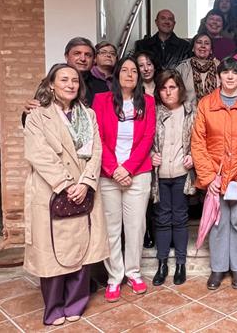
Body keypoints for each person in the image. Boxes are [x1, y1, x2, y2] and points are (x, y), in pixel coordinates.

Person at [23, 64, 108, 326]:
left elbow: (97, 151)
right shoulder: (38, 116)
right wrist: (66, 184)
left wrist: (86, 183)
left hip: (84, 187)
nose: (71, 84)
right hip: (53, 189)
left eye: (74, 80)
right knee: (52, 252)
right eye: (64, 80)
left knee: (82, 249)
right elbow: (39, 153)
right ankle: (54, 307)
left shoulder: (88, 115)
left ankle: (75, 303)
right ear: (51, 84)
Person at [191, 57, 237, 290]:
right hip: (215, 174)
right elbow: (198, 143)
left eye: (234, 73)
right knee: (218, 222)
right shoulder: (205, 104)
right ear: (219, 76)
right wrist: (209, 177)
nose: (230, 77)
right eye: (225, 73)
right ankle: (218, 268)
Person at [91, 57, 156, 303]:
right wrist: (113, 167)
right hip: (108, 173)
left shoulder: (147, 102)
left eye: (134, 71)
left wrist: (128, 168)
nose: (130, 74)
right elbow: (97, 136)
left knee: (136, 226)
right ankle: (114, 276)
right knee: (111, 228)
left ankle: (134, 272)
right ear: (116, 75)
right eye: (125, 70)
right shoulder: (101, 101)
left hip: (137, 173)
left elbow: (147, 137)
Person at [149, 69, 197, 286]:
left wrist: (193, 157)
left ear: (180, 89)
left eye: (172, 87)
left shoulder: (191, 112)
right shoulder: (153, 112)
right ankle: (161, 264)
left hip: (181, 174)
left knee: (179, 218)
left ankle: (180, 263)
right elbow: (143, 139)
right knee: (162, 219)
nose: (168, 92)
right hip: (159, 176)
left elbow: (200, 140)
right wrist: (151, 155)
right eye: (164, 88)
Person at [135, 51, 159, 249]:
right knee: (144, 193)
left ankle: (159, 231)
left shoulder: (164, 86)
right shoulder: (134, 91)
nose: (146, 68)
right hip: (142, 145)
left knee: (158, 192)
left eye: (149, 63)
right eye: (141, 65)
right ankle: (146, 231)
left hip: (163, 142)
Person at [175, 32, 220, 106]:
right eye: (199, 42)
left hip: (216, 114)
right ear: (193, 48)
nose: (203, 46)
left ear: (211, 50)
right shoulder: (182, 68)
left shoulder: (219, 67)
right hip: (190, 115)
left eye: (207, 43)